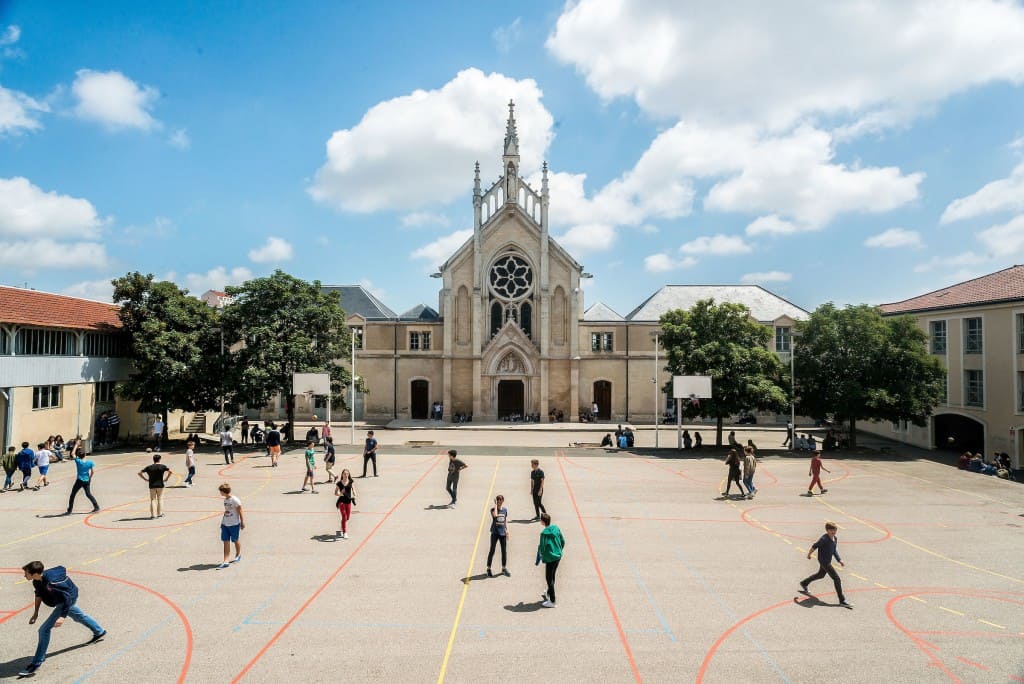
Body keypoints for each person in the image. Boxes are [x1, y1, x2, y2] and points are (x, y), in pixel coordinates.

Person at [18, 560, 106, 676]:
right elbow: (38, 594)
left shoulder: (53, 582)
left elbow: (67, 598)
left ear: (35, 573)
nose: (24, 575)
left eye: (26, 573)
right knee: (78, 616)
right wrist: (36, 613)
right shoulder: (36, 582)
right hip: (62, 601)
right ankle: (99, 631)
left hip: (67, 600)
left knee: (44, 630)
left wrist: (62, 617)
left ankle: (36, 663)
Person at [799, 521, 850, 607]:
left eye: (834, 530)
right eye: (831, 530)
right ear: (827, 530)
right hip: (824, 561)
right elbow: (815, 546)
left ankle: (804, 583)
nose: (833, 532)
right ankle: (842, 600)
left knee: (820, 575)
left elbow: (834, 550)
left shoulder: (835, 538)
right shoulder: (824, 539)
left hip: (827, 561)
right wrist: (809, 554)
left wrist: (839, 560)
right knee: (837, 579)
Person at [536, 512, 565, 608]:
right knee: (552, 575)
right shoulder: (556, 528)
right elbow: (563, 540)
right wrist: (559, 550)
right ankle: (548, 592)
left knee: (549, 579)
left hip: (550, 558)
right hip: (558, 556)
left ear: (543, 522)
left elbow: (542, 548)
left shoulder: (544, 534)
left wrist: (541, 557)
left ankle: (552, 601)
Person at [217, 483, 244, 568]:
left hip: (234, 524)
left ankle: (238, 555)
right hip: (225, 523)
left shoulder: (235, 500)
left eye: (220, 491)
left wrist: (242, 522)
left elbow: (240, 511)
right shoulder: (225, 500)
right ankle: (226, 561)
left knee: (235, 540)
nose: (220, 493)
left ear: (224, 492)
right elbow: (228, 510)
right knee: (225, 541)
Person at [66, 448, 100, 513]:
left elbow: (72, 453)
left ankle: (70, 509)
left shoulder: (78, 461)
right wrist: (90, 478)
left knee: (73, 494)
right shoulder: (90, 462)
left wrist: (76, 445)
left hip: (79, 480)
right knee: (88, 494)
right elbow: (92, 472)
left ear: (78, 456)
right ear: (85, 455)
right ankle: (96, 506)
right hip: (86, 480)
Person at [138, 453, 172, 518]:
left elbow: (139, 473)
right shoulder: (163, 466)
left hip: (152, 485)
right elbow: (170, 472)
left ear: (153, 459)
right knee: (160, 499)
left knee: (153, 500)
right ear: (159, 459)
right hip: (160, 484)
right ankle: (159, 513)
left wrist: (145, 479)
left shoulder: (149, 467)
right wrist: (166, 478)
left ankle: (153, 515)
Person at [486, 495, 510, 577]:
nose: (499, 501)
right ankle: (488, 569)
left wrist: (507, 530)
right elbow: (495, 515)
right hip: (495, 533)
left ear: (503, 500)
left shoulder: (505, 510)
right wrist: (496, 505)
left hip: (502, 533)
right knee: (492, 550)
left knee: (504, 551)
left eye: (501, 500)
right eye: (498, 500)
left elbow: (505, 520)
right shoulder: (493, 509)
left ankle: (503, 568)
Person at [334, 469, 356, 538]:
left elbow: (353, 489)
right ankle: (344, 532)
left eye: (347, 474)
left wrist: (355, 495)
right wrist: (340, 494)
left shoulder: (351, 482)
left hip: (348, 502)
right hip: (342, 502)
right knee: (344, 516)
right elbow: (335, 493)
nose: (346, 475)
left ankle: (342, 525)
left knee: (347, 518)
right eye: (344, 474)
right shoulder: (339, 483)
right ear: (342, 474)